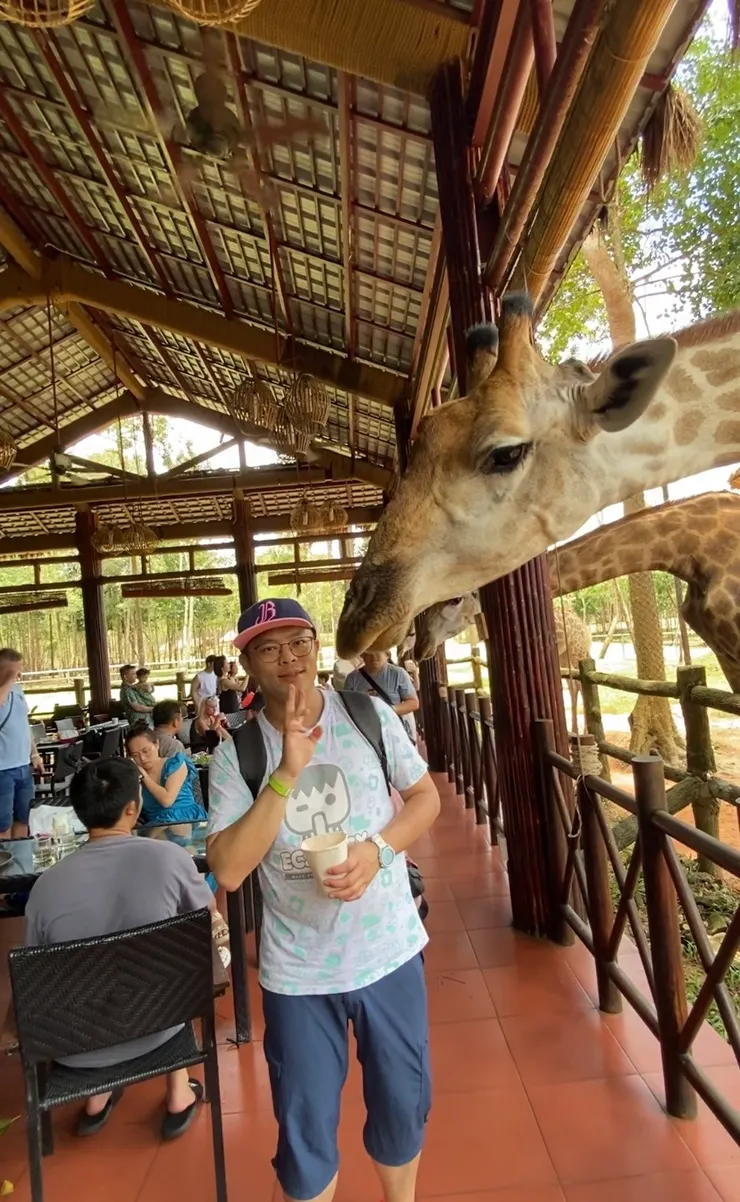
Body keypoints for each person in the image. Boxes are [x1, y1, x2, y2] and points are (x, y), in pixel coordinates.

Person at [207, 598, 440, 1202]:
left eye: (298, 644)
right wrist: (286, 771)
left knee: (401, 1104)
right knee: (305, 1129)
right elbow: (229, 869)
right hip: (299, 972)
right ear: (248, 665)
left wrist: (379, 852)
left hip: (389, 951)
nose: (287, 660)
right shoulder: (238, 754)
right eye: (268, 648)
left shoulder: (368, 715)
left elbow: (424, 799)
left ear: (316, 648)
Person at [24, 757, 213, 1140]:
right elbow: (206, 922)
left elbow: (36, 972)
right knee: (174, 964)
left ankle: (96, 1096)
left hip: (74, 1042)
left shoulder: (45, 886)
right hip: (159, 1026)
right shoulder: (169, 858)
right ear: (133, 808)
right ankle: (179, 1093)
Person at [126, 724, 206, 827]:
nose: (142, 758)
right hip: (155, 827)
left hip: (185, 820)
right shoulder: (135, 777)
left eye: (146, 751)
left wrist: (144, 775)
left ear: (156, 744)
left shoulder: (176, 763)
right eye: (135, 755)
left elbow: (167, 800)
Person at [0, 648, 43, 839]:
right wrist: (8, 680)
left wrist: (34, 753)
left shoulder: (18, 691)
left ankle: (20, 859)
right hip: (2, 770)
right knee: (3, 823)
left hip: (23, 766)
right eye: (16, 671)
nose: (20, 675)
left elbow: (24, 724)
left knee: (23, 818)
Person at [344, 650, 420, 743]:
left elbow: (413, 703)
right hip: (366, 733)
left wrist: (389, 710)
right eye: (369, 652)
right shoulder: (353, 678)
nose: (373, 655)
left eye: (378, 651)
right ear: (362, 655)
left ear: (387, 655)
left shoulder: (398, 673)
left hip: (394, 731)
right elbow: (346, 707)